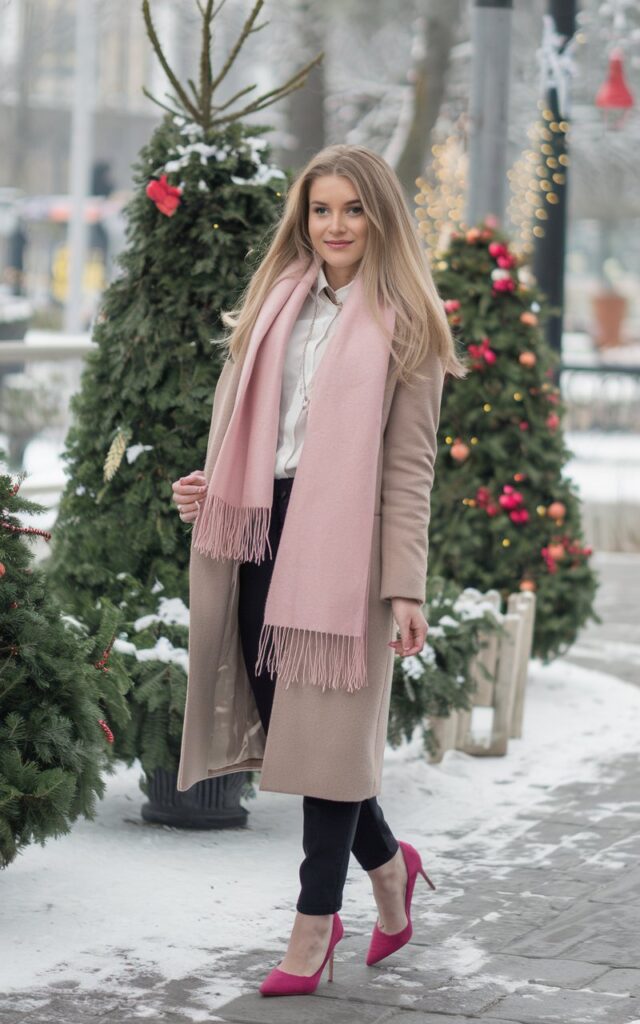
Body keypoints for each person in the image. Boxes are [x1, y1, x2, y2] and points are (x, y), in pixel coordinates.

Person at [171, 144, 467, 997]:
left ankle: (313, 927)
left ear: (381, 217)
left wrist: (404, 587)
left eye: (353, 209)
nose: (336, 225)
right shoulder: (275, 304)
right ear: (303, 218)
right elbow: (244, 429)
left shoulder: (409, 323)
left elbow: (410, 469)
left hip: (347, 550)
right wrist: (209, 484)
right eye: (321, 209)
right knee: (297, 731)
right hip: (261, 531)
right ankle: (391, 866)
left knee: (329, 736)